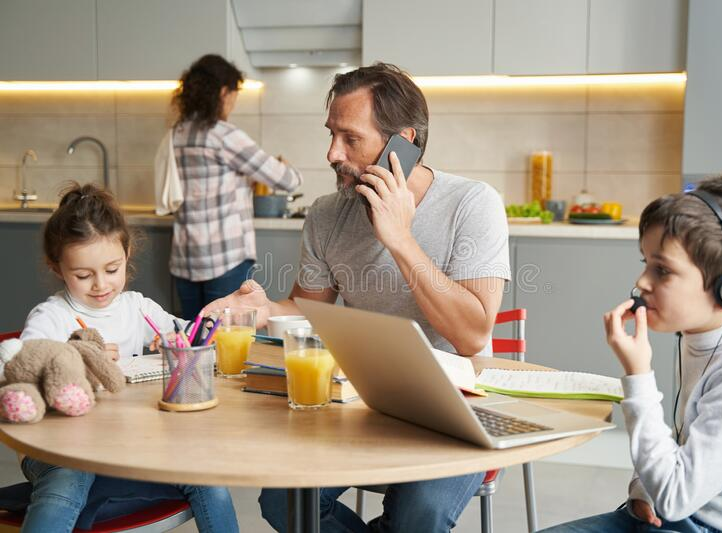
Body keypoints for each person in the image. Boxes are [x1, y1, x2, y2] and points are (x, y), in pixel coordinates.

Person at [204, 63, 511, 532]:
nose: (332, 153)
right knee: (283, 503)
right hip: (364, 398)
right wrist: (261, 310)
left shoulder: (473, 204)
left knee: (417, 517)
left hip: (460, 406)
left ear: (402, 143)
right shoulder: (328, 215)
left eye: (350, 139)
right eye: (331, 134)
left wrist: (400, 238)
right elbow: (309, 307)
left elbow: (472, 335)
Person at [541, 176, 722, 532]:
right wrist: (642, 489)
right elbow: (680, 445)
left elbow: (676, 496)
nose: (641, 282)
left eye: (662, 270)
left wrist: (638, 376)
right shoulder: (699, 338)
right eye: (646, 262)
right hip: (681, 514)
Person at [10, 183, 239, 533]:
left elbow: (190, 336)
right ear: (57, 268)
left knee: (208, 479)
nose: (100, 285)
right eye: (83, 276)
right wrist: (76, 357)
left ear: (127, 253)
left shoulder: (138, 308)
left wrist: (192, 335)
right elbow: (19, 369)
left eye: (112, 269)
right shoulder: (51, 317)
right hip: (59, 451)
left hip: (128, 446)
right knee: (68, 482)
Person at [169, 54, 303, 320]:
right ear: (223, 92)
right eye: (234, 94)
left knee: (194, 339)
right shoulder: (224, 135)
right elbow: (287, 180)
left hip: (185, 258)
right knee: (230, 336)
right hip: (224, 258)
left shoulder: (177, 132)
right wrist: (287, 167)